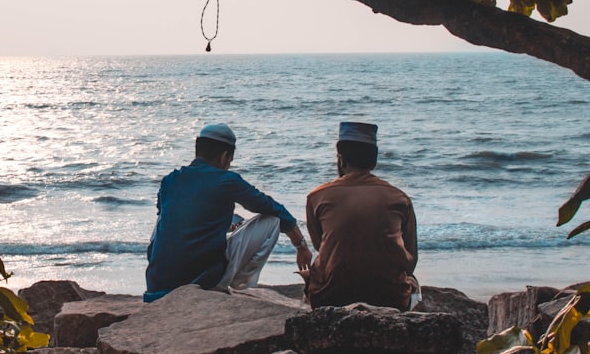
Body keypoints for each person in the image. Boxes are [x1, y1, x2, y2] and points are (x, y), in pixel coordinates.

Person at [144, 123, 312, 302]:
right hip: (202, 281)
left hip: (157, 286)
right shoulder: (226, 180)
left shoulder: (170, 180)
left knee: (163, 219)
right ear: (225, 157)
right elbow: (275, 210)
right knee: (272, 222)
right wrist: (301, 245)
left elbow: (184, 221)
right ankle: (240, 286)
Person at [302, 121, 418, 311]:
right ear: (373, 161)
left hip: (330, 297)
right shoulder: (399, 197)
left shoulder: (317, 196)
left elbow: (319, 245)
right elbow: (411, 257)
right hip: (391, 298)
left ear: (341, 159)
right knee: (411, 281)